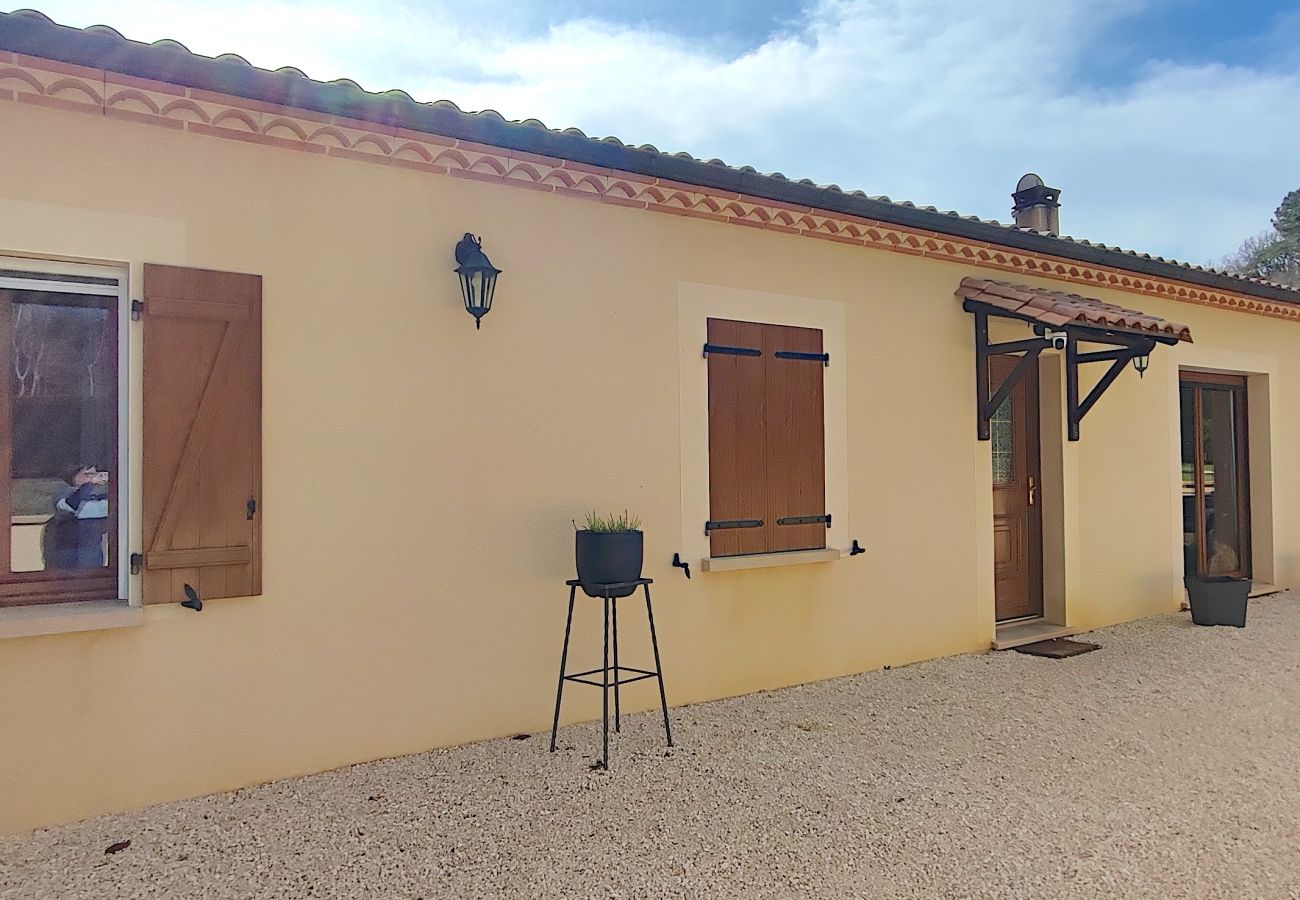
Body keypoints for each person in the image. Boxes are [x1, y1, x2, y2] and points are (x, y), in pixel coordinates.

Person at [41, 464, 109, 569]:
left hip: (91, 548)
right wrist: (89, 485)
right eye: (87, 474)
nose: (93, 477)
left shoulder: (101, 495)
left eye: (95, 474)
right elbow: (69, 505)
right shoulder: (64, 492)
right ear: (73, 477)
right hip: (66, 548)